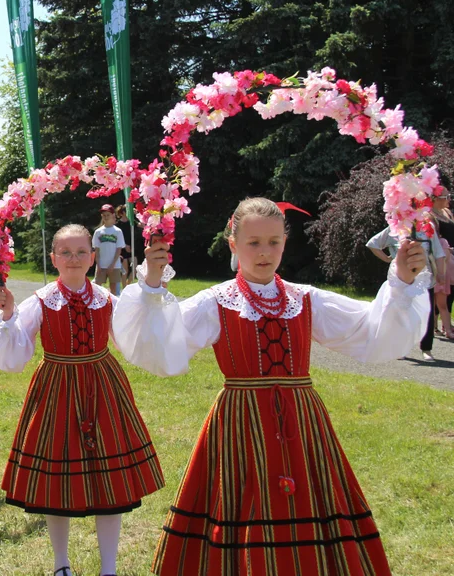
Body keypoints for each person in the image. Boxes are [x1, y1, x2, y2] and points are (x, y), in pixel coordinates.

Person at [113, 197, 429, 575]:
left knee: (311, 503)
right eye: (253, 243)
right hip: (240, 423)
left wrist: (402, 281)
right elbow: (162, 342)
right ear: (233, 244)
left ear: (285, 241)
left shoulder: (304, 298)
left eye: (274, 242)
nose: (265, 252)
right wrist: (151, 284)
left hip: (301, 424)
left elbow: (369, 331)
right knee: (240, 502)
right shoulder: (217, 301)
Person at [0, 224, 164, 576]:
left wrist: (150, 289)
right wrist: (7, 316)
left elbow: (133, 334)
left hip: (103, 388)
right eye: (65, 253)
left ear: (93, 256)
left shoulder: (107, 299)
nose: (73, 259)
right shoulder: (41, 300)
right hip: (57, 390)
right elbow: (16, 347)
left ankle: (108, 568)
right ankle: (61, 564)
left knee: (109, 482)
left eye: (81, 252)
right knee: (58, 480)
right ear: (53, 258)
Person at [366, 222, 445, 360]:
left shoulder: (427, 228)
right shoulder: (395, 228)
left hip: (424, 279)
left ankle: (426, 349)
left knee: (427, 315)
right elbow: (373, 243)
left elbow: (438, 253)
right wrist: (386, 258)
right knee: (400, 314)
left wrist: (441, 273)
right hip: (402, 282)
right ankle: (399, 349)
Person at [432, 186, 454, 341]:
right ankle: (438, 324)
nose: (449, 199)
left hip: (453, 257)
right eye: (446, 196)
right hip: (442, 258)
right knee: (440, 293)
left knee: (451, 289)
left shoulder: (447, 213)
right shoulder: (430, 215)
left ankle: (445, 324)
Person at [92, 204, 126, 295]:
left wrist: (112, 265)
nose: (106, 217)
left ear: (113, 215)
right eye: (104, 215)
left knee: (114, 290)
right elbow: (97, 250)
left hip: (115, 265)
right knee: (97, 288)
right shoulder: (98, 232)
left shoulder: (117, 231)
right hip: (101, 264)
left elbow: (118, 250)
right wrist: (98, 265)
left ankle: (113, 307)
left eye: (108, 215)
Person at [114, 204, 136, 288]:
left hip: (132, 248)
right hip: (123, 249)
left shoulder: (132, 222)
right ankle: (124, 288)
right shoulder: (117, 225)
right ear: (123, 213)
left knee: (135, 269)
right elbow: (116, 238)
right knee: (125, 271)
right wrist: (124, 246)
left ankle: (127, 285)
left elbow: (141, 225)